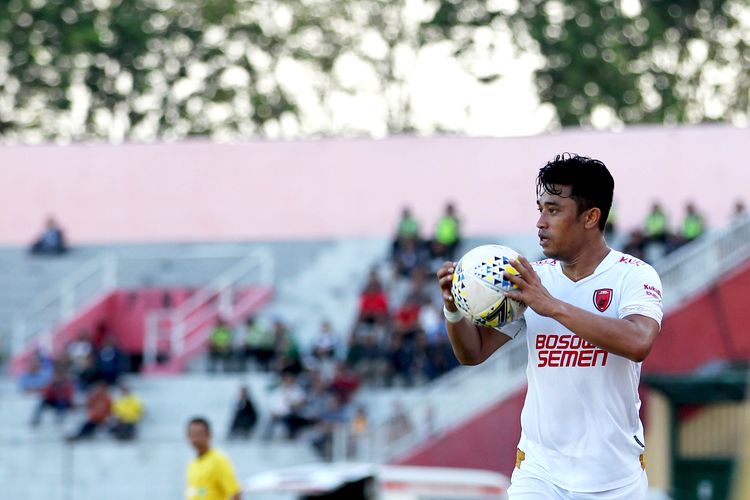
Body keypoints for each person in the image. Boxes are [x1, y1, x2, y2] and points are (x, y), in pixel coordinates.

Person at [437, 154, 662, 499]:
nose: (541, 222)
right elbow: (473, 352)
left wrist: (552, 306)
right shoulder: (534, 278)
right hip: (540, 473)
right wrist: (454, 308)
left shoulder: (633, 274)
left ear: (590, 217)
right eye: (540, 209)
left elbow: (639, 341)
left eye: (554, 210)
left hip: (614, 478)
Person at [186, 417, 241, 500]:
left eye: (199, 434)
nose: (195, 439)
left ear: (208, 434)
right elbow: (198, 491)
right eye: (192, 434)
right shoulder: (192, 464)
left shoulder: (218, 460)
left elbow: (235, 493)